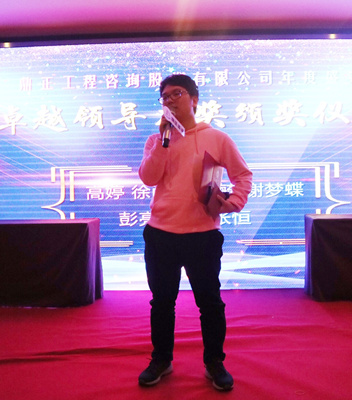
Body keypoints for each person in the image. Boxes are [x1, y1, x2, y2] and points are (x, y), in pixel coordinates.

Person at [137, 74, 253, 391]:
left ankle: (214, 362)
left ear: (194, 99)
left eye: (177, 93)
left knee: (209, 302)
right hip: (160, 234)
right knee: (162, 302)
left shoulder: (217, 138)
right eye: (165, 96)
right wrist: (164, 141)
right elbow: (149, 178)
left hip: (202, 235)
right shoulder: (156, 140)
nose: (170, 100)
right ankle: (161, 359)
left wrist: (233, 203)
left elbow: (243, 175)